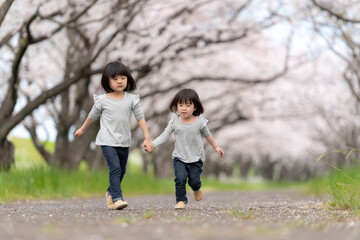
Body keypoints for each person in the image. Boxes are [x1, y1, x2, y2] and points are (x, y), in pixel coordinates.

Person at [74, 61, 153, 210]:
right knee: (115, 168)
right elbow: (92, 116)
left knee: (122, 171)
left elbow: (140, 118)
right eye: (115, 78)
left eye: (123, 78)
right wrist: (82, 129)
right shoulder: (102, 100)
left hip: (124, 141)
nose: (119, 81)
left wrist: (147, 137)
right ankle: (117, 198)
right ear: (107, 81)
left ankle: (110, 193)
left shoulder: (131, 99)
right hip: (107, 140)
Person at [145, 88, 224, 209]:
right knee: (180, 179)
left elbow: (208, 135)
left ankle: (197, 188)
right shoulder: (174, 122)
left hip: (196, 157)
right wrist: (153, 144)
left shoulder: (200, 123)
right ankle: (181, 200)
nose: (183, 108)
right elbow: (165, 135)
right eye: (180, 105)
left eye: (188, 105)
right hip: (179, 157)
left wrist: (216, 147)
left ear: (195, 107)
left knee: (194, 180)